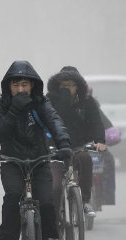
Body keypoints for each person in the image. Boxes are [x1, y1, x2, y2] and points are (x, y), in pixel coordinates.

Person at [0, 60, 72, 240]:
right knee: (13, 195)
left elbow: (54, 121)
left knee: (45, 201)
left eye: (24, 85)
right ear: (8, 86)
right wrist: (14, 110)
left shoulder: (41, 103)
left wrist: (63, 144)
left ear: (32, 85)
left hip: (40, 160)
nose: (20, 89)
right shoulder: (0, 105)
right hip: (11, 162)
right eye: (15, 85)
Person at [47, 66, 106, 217]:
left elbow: (96, 122)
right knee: (55, 187)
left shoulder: (87, 101)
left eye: (71, 85)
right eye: (64, 85)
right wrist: (63, 100)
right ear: (58, 86)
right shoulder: (49, 101)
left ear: (78, 85)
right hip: (55, 149)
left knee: (86, 160)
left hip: (78, 146)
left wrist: (99, 140)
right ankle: (54, 218)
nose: (68, 88)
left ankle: (85, 202)